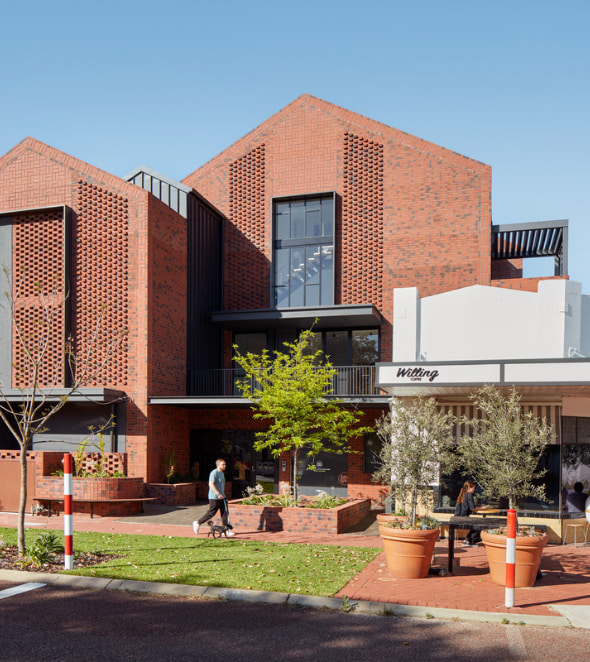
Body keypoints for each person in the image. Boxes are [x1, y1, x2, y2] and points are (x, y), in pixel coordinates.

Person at [193, 458, 234, 536]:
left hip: (222, 497)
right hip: (214, 497)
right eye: (223, 464)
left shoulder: (222, 473)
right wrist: (218, 493)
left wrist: (223, 495)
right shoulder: (214, 473)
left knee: (225, 513)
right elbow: (211, 484)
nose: (225, 466)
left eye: (225, 464)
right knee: (211, 512)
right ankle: (198, 523)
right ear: (218, 465)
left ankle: (226, 530)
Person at [454, 479, 483, 547]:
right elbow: (472, 508)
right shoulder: (469, 495)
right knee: (479, 524)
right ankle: (468, 541)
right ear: (469, 488)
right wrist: (482, 508)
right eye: (474, 488)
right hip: (463, 519)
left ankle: (471, 539)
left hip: (457, 519)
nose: (474, 489)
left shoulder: (463, 494)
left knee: (477, 523)